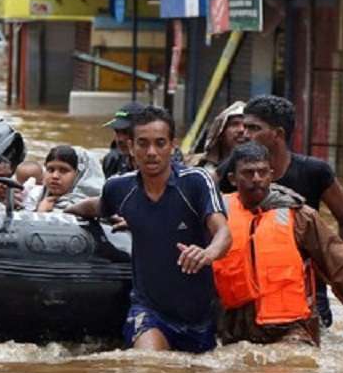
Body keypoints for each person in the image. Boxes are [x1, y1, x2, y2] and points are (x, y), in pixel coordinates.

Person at [67, 106, 230, 354]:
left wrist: (208, 253)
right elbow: (97, 206)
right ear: (131, 147)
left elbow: (223, 233)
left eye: (160, 143)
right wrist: (60, 212)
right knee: (149, 369)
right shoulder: (119, 187)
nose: (151, 152)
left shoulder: (196, 182)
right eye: (143, 144)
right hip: (150, 311)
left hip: (199, 316)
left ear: (172, 146)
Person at [214, 142, 343, 346]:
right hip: (232, 327)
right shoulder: (216, 214)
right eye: (248, 173)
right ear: (233, 179)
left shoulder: (300, 216)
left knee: (294, 365)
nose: (256, 179)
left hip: (290, 327)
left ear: (271, 174)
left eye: (262, 172)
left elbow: (337, 260)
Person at [243, 95, 343, 327]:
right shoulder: (237, 172)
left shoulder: (314, 172)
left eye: (254, 128)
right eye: (245, 127)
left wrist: (339, 273)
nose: (245, 134)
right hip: (256, 282)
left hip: (309, 283)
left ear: (278, 134)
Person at [190, 100, 246, 188]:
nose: (241, 130)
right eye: (235, 124)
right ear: (221, 132)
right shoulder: (199, 167)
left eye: (246, 125)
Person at [34, 145, 102, 213]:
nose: (55, 176)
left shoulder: (92, 208)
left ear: (79, 175)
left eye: (63, 170)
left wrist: (42, 213)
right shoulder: (35, 197)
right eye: (51, 170)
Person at [101, 101, 144, 178]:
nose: (120, 139)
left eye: (126, 132)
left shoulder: (159, 165)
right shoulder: (112, 162)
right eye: (117, 131)